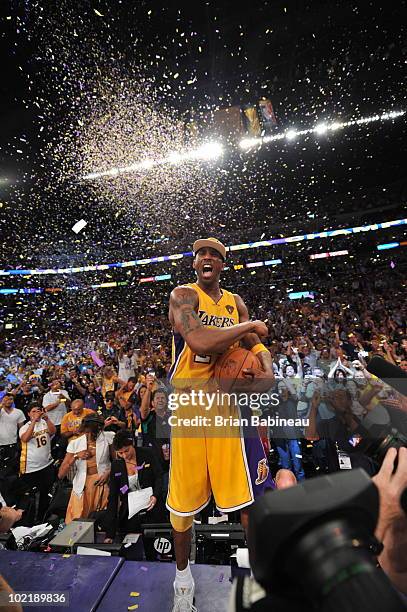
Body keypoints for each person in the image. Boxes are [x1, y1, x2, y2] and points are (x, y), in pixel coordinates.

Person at [167, 237, 274, 611]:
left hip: (226, 407)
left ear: (223, 264)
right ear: (195, 264)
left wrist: (266, 365)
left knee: (246, 500)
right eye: (201, 254)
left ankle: (260, 579)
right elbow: (197, 340)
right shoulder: (184, 295)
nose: (207, 258)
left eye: (215, 254)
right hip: (190, 408)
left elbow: (255, 344)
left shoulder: (235, 302)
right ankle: (182, 581)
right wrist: (251, 326)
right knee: (182, 506)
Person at [102, 430, 164, 554]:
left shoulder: (148, 454)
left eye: (126, 450)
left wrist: (155, 495)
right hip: (130, 514)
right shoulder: (116, 465)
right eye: (120, 453)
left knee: (154, 550)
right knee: (132, 551)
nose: (124, 455)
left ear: (132, 444)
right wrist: (110, 533)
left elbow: (159, 477)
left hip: (153, 509)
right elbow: (113, 498)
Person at [58, 413, 114, 523]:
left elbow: (118, 462)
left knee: (102, 520)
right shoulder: (75, 443)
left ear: (98, 429)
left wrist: (109, 472)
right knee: (78, 521)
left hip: (103, 484)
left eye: (90, 432)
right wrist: (75, 456)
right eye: (86, 432)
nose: (88, 436)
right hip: (82, 485)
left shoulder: (109, 438)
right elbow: (61, 474)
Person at [18, 403, 56, 523]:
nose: (37, 413)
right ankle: (29, 520)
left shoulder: (45, 423)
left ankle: (42, 518)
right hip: (31, 467)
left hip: (46, 464)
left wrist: (47, 418)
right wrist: (34, 421)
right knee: (31, 496)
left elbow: (53, 431)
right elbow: (25, 438)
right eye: (33, 411)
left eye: (38, 411)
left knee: (46, 493)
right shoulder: (25, 427)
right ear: (28, 414)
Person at [140, 377, 171, 499]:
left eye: (163, 398)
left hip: (170, 463)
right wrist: (148, 389)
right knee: (156, 494)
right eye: (157, 398)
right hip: (153, 463)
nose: (160, 400)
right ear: (152, 402)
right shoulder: (149, 417)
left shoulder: (172, 417)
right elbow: (143, 409)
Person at [0, 394, 26, 482]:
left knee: (11, 467)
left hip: (12, 443)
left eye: (11, 399)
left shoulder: (19, 412)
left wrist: (22, 442)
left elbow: (21, 429)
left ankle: (11, 487)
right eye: (6, 399)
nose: (9, 401)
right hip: (0, 443)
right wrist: (1, 404)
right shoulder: (1, 411)